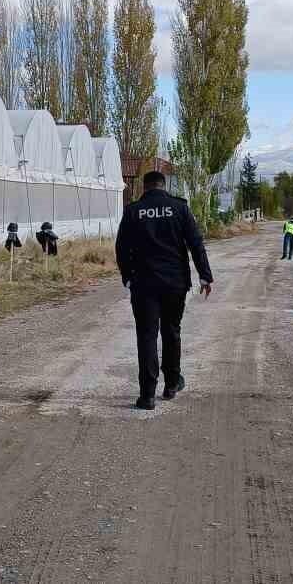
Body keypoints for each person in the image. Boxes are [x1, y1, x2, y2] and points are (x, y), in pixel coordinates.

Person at [116, 171, 214, 410]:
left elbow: (121, 248)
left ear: (144, 187)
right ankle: (171, 384)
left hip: (144, 285)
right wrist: (205, 276)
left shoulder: (132, 211)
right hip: (175, 283)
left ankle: (147, 395)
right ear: (164, 186)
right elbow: (195, 243)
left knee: (147, 336)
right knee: (172, 332)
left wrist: (128, 277)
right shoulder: (179, 208)